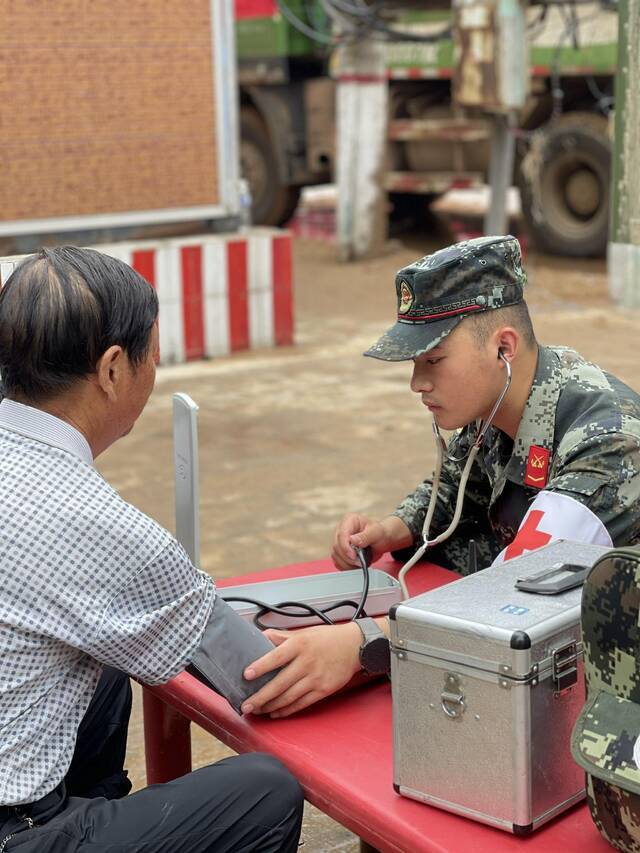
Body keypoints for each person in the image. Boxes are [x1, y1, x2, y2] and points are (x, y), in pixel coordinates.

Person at [242, 234, 640, 719]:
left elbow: (515, 595)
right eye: (415, 364)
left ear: (504, 348)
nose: (417, 383)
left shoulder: (609, 439)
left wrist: (361, 644)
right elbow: (456, 487)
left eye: (433, 361)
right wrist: (394, 528)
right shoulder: (501, 398)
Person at [0, 247, 303, 852]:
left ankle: (95, 816)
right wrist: (368, 643)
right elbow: (257, 678)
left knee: (104, 669)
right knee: (267, 793)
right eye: (152, 359)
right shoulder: (96, 524)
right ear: (113, 369)